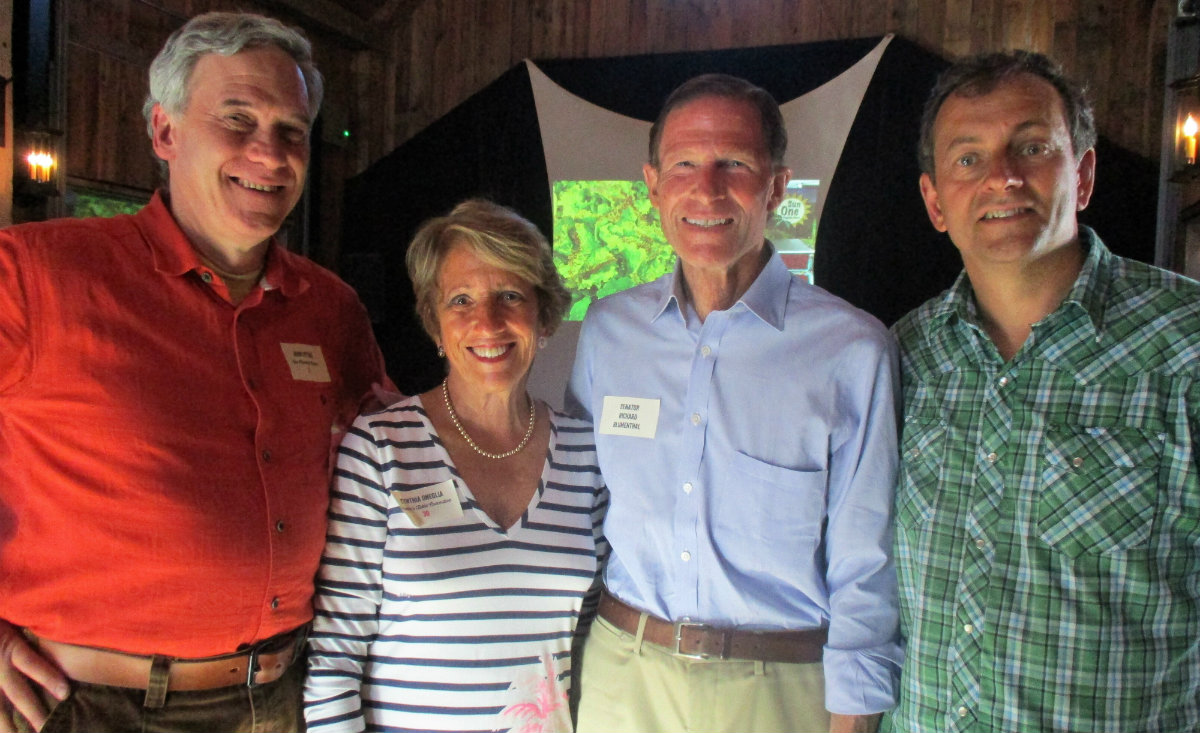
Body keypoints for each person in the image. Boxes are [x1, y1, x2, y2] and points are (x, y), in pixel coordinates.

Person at [0, 12, 390, 733]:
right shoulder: (35, 275)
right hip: (87, 705)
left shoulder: (330, 309)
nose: (269, 154)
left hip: (278, 700)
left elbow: (395, 452)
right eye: (237, 119)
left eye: (292, 131)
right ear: (164, 131)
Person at [565, 73, 902, 733]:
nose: (707, 188)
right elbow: (580, 503)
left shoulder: (851, 348)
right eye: (684, 164)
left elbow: (867, 558)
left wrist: (854, 717)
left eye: (735, 165)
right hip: (621, 675)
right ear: (653, 184)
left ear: (777, 186)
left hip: (778, 690)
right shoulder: (608, 330)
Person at [888, 50, 1200, 732]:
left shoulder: (1186, 348)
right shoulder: (900, 358)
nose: (1003, 176)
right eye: (968, 158)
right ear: (935, 201)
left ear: (1083, 175)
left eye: (1032, 147)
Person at [303, 199, 608, 733]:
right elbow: (335, 653)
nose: (487, 322)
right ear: (434, 324)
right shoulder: (380, 449)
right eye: (461, 299)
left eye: (510, 295)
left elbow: (592, 640)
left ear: (543, 314)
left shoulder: (587, 454)